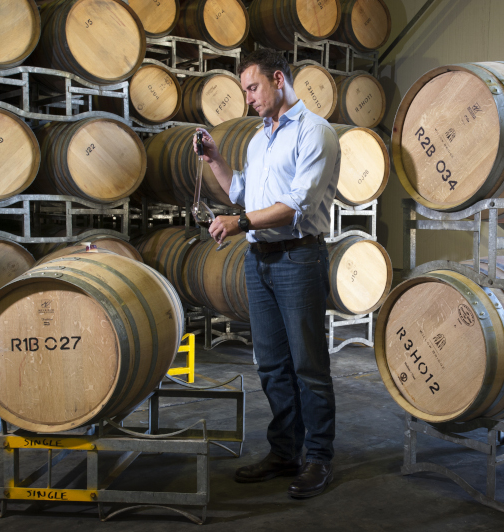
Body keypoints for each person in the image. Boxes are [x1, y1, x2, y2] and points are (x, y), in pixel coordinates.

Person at [193, 48, 341, 499]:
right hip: (260, 262)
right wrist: (216, 157)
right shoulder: (259, 140)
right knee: (272, 365)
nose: (248, 98)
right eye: (244, 91)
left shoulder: (316, 133)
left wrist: (239, 224)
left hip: (298, 259)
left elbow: (297, 205)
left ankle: (317, 457)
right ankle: (284, 453)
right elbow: (241, 192)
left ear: (279, 79)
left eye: (253, 88)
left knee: (308, 366)